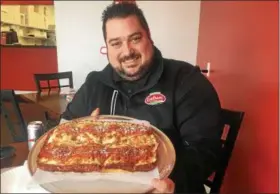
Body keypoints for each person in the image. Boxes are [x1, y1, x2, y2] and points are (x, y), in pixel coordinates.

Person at [61, 2, 222, 193]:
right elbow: (65, 125)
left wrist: (171, 181)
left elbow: (206, 151)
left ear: (149, 37)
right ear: (107, 48)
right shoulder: (94, 83)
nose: (127, 51)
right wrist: (82, 133)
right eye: (116, 43)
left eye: (135, 39)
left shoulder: (186, 80)